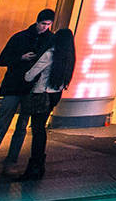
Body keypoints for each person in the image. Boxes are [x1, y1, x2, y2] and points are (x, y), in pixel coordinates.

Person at [0, 9, 56, 180]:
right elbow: (2, 60)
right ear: (37, 21)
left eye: (48, 25)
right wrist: (21, 58)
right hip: (18, 87)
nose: (45, 27)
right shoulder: (22, 38)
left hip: (28, 89)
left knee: (19, 127)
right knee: (4, 125)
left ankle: (6, 162)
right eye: (43, 24)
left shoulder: (46, 39)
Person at [16, 26, 74, 180]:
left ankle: (35, 166)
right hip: (56, 94)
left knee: (37, 130)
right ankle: (38, 165)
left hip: (42, 94)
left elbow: (30, 75)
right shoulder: (69, 57)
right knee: (40, 129)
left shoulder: (50, 54)